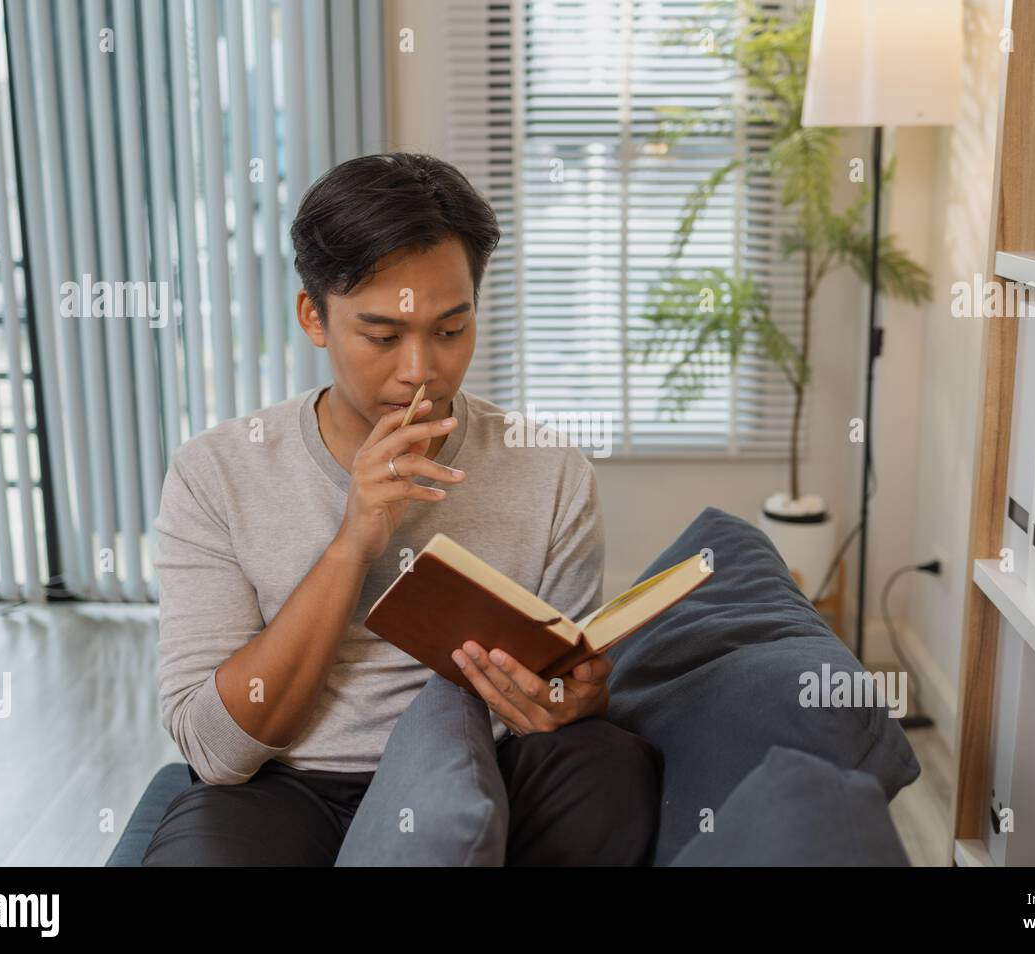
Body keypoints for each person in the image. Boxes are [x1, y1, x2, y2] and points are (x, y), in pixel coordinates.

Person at [141, 152, 662, 866]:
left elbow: (557, 697)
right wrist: (353, 541)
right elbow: (215, 748)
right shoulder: (217, 472)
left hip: (486, 763)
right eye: (383, 336)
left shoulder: (551, 472)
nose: (421, 370)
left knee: (608, 762)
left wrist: (575, 702)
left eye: (450, 330)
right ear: (313, 316)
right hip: (288, 783)